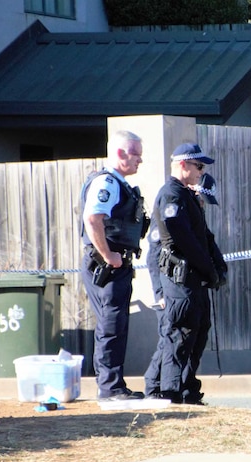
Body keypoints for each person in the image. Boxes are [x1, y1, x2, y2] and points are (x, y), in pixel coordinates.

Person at [146, 143, 227, 405]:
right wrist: (207, 269)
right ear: (183, 165)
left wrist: (216, 268)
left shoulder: (186, 196)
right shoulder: (172, 195)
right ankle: (168, 391)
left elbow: (204, 237)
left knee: (198, 331)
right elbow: (181, 241)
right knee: (179, 334)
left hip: (194, 280)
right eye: (199, 166)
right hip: (180, 280)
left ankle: (187, 389)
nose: (201, 172)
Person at [80, 129, 149, 401]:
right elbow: (92, 218)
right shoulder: (107, 183)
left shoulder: (117, 183)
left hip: (115, 265)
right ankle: (109, 388)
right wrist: (109, 256)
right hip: (107, 266)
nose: (140, 161)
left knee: (116, 323)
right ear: (121, 153)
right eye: (136, 155)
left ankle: (115, 385)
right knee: (111, 324)